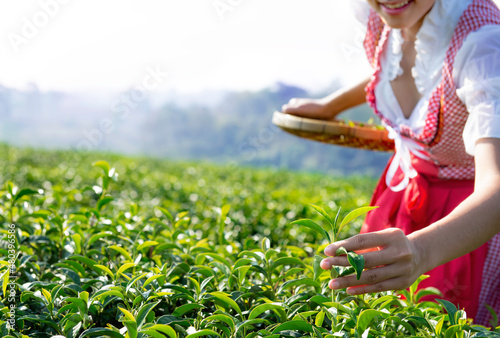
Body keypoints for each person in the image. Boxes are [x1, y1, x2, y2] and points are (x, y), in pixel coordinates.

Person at [281, 0, 500, 326]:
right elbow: (398, 64)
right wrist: (330, 105)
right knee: (382, 320)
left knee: (445, 323)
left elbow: (495, 188)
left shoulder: (484, 45)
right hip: (403, 197)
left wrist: (422, 251)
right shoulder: (387, 13)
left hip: (464, 224)